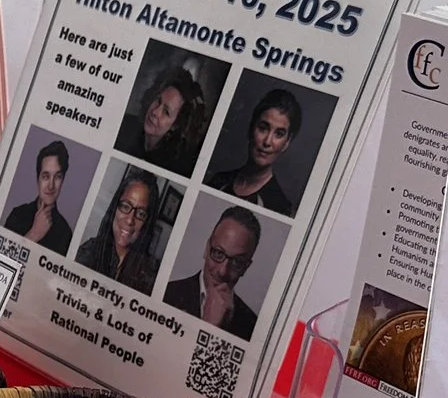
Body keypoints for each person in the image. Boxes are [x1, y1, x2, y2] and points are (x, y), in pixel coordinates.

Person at [163, 207, 263, 338]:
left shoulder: (252, 326)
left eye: (237, 262)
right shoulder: (166, 293)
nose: (223, 271)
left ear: (246, 267)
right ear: (206, 249)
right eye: (218, 253)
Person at [209, 86, 305, 216]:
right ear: (251, 128)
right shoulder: (219, 181)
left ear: (286, 142)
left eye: (279, 134)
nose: (267, 141)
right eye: (263, 128)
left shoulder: (279, 207)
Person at [113, 61, 210, 175]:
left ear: (176, 125)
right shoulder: (124, 125)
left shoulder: (176, 166)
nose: (155, 112)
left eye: (166, 112)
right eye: (158, 100)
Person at [76, 169, 163, 291]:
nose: (130, 220)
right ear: (114, 208)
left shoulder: (151, 273)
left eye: (141, 213)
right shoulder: (90, 250)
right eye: (125, 206)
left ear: (147, 222)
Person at [1, 139, 74, 254]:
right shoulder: (17, 214)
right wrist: (34, 234)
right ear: (37, 179)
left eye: (57, 177)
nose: (51, 186)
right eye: (45, 176)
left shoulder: (66, 233)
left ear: (63, 180)